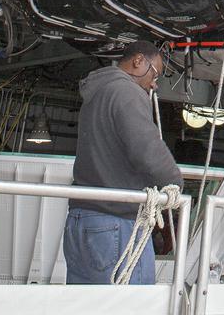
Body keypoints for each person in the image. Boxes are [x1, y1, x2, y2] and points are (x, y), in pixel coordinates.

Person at [64, 41, 182, 285]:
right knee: (131, 302)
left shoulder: (96, 92)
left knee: (84, 302)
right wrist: (175, 184)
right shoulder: (127, 92)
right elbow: (146, 148)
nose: (154, 84)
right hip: (115, 222)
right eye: (155, 74)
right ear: (138, 61)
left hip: (80, 219)